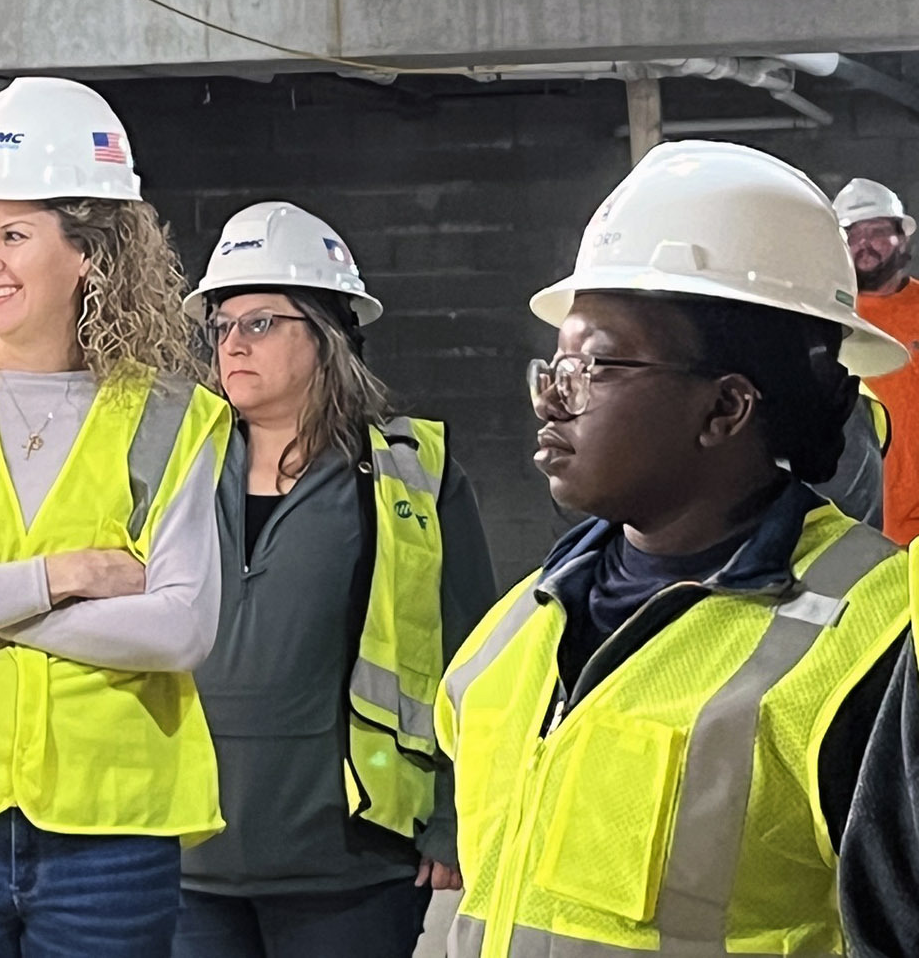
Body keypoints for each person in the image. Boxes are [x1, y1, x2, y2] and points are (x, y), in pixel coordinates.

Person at [435, 141, 910, 958]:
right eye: (554, 365)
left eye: (591, 366)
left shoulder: (876, 643)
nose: (552, 399)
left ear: (725, 408)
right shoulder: (517, 629)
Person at [0, 76, 230, 957]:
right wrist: (60, 577)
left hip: (113, 831)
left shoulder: (173, 416)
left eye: (14, 235)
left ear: (90, 252)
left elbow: (180, 628)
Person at [171, 201, 498, 958]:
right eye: (221, 325)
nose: (232, 343)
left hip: (350, 860)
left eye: (260, 322)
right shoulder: (176, 467)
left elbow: (474, 661)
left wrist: (454, 817)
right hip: (189, 854)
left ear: (327, 334)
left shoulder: (411, 475)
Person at [834, 178, 919, 541]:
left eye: (878, 231)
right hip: (851, 523)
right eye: (852, 234)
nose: (864, 243)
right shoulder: (822, 318)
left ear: (903, 237)